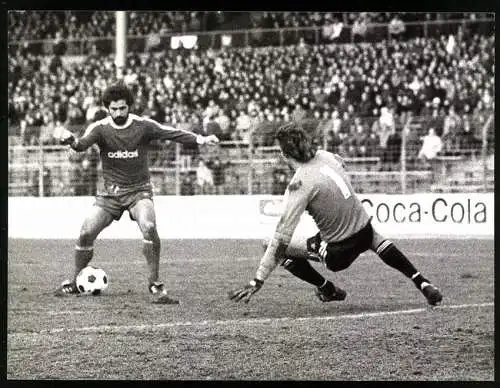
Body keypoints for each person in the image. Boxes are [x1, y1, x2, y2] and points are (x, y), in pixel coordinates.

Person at [229, 122, 442, 306]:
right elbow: (342, 164)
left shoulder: (299, 183)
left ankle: (327, 289)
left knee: (269, 243)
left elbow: (281, 238)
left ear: (284, 154)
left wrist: (258, 279)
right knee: (374, 237)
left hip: (338, 253)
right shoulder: (327, 156)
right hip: (365, 231)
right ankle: (422, 282)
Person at [53, 82, 219, 303]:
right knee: (85, 232)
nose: (119, 113)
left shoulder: (143, 126)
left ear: (129, 106)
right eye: (114, 109)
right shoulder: (100, 128)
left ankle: (155, 284)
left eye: (123, 108)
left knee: (149, 226)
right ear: (107, 108)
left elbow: (172, 133)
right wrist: (71, 141)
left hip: (139, 191)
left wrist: (201, 139)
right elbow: (82, 144)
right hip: (110, 194)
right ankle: (74, 282)